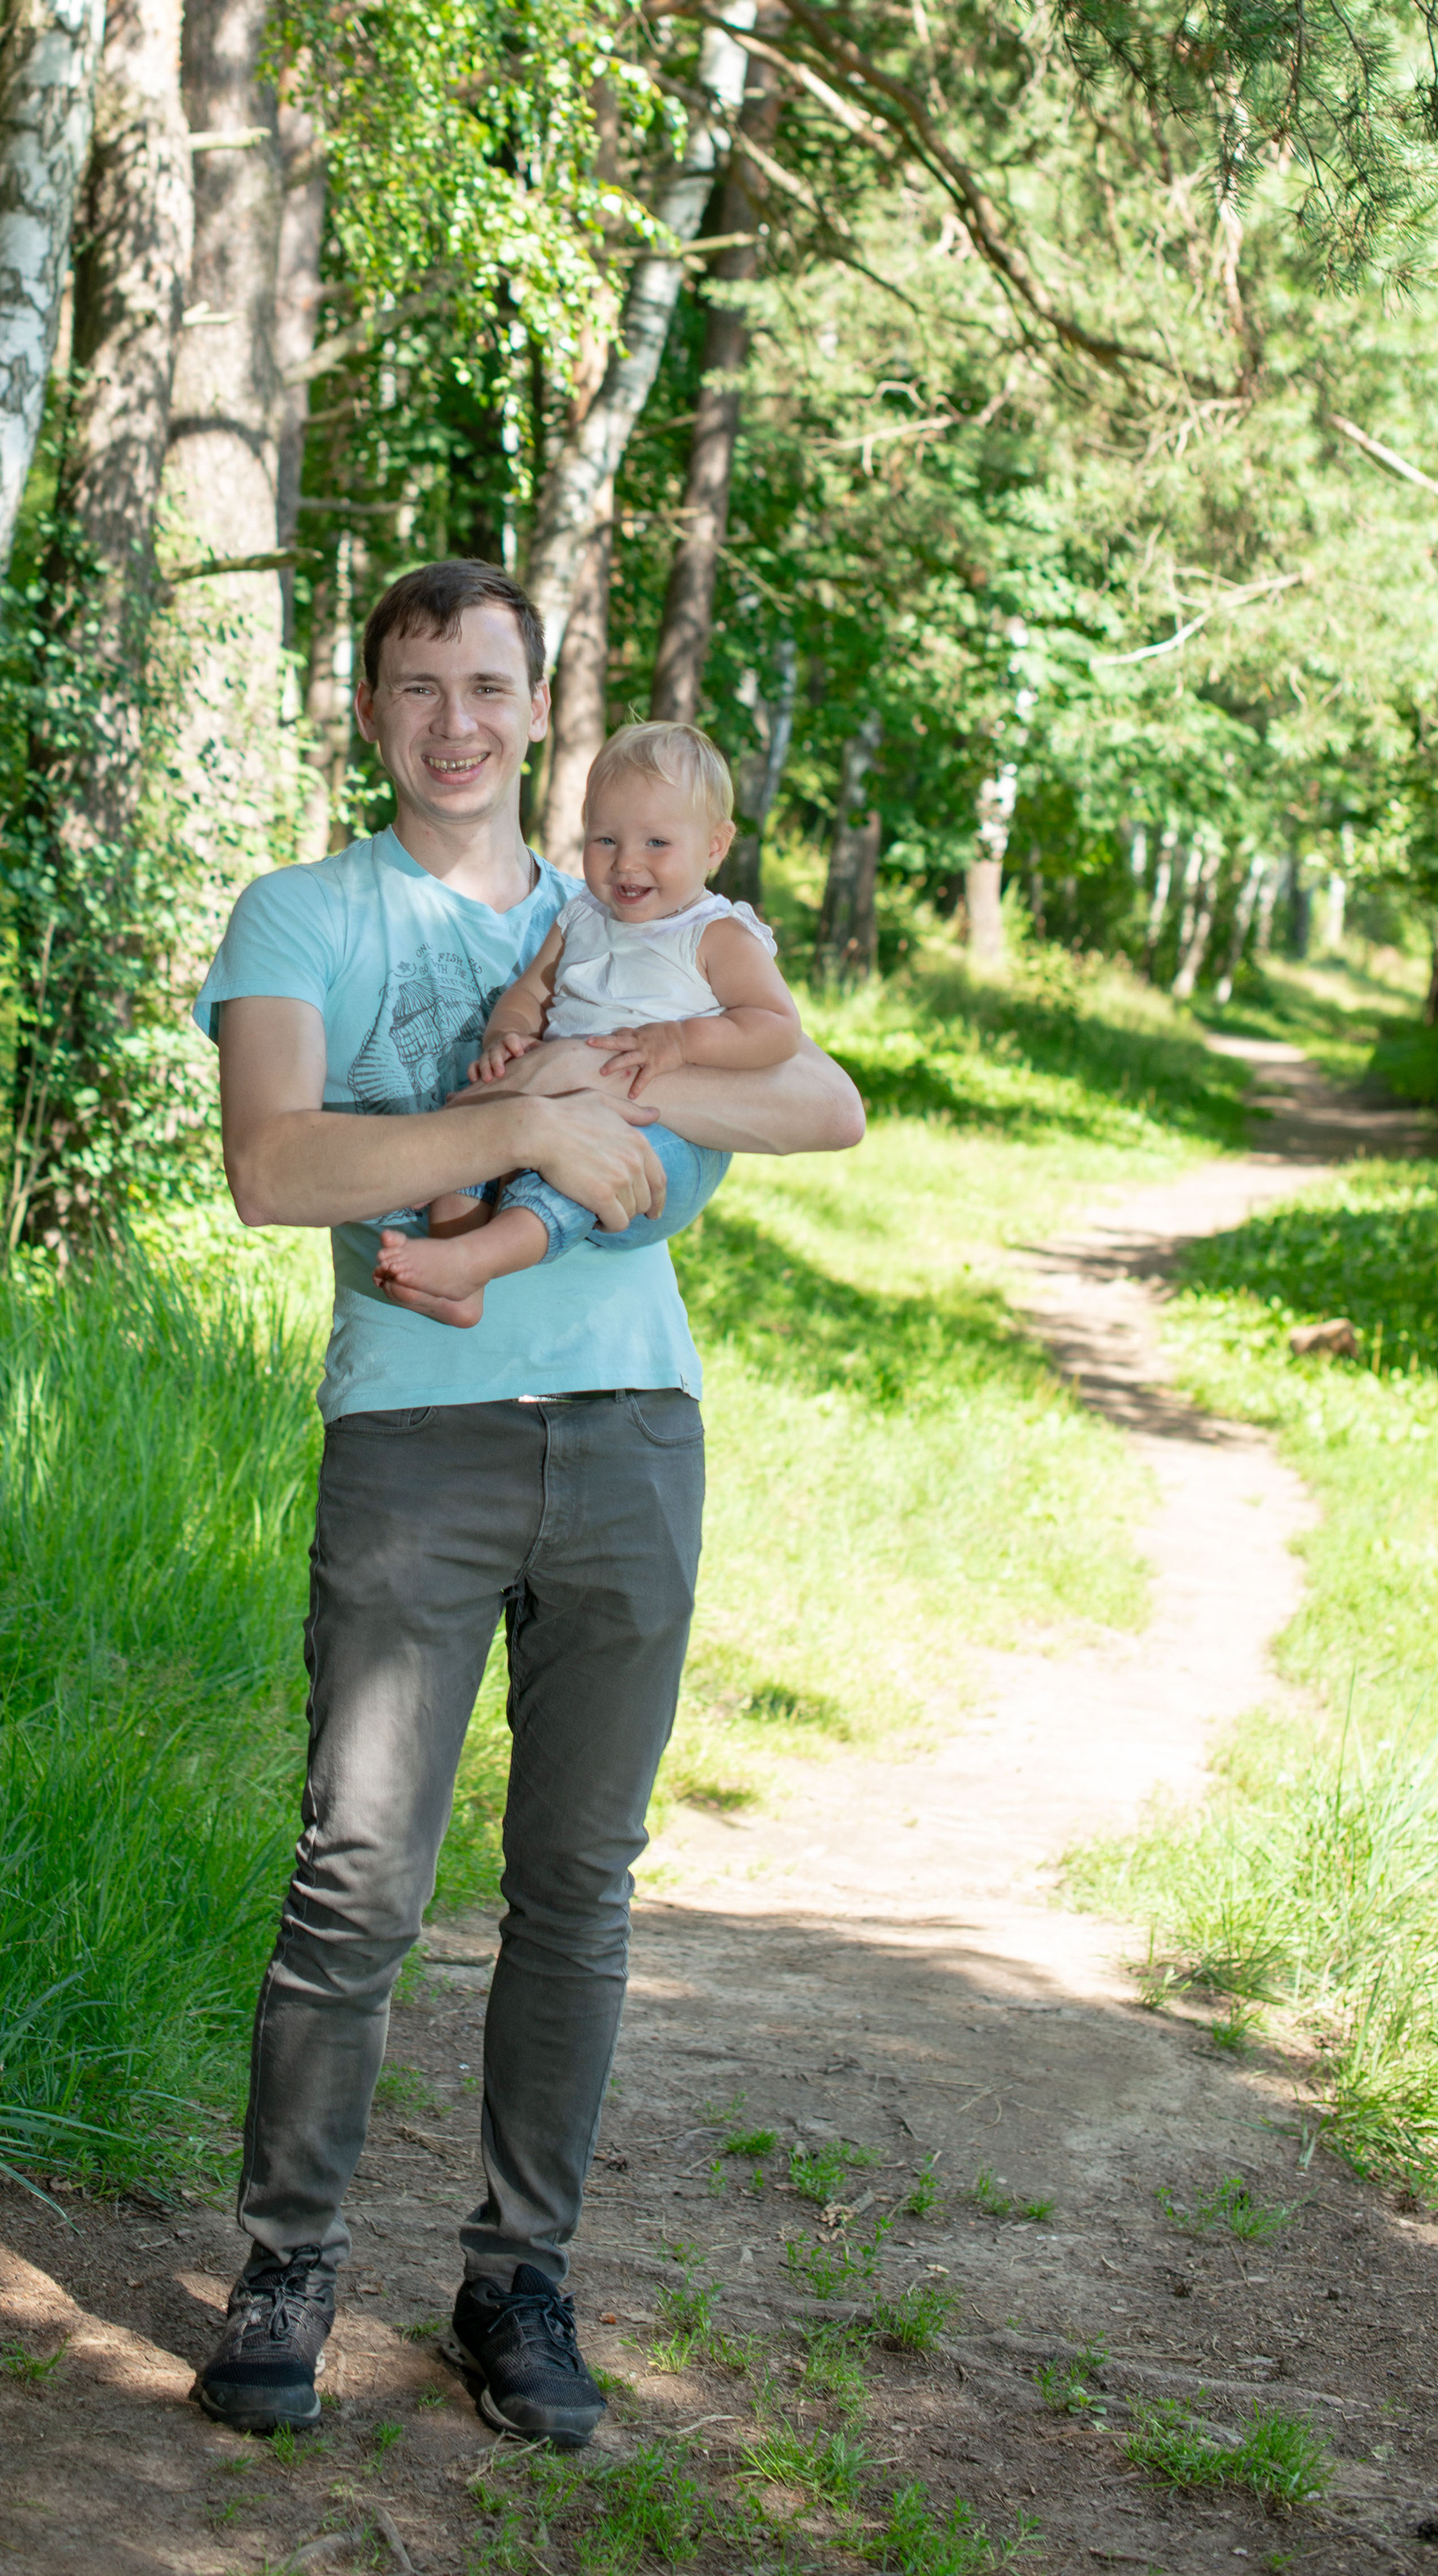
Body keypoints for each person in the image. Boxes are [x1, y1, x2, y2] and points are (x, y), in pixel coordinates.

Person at [187, 557, 866, 2450]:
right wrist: (521, 1122)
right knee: (356, 1878)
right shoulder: (300, 913)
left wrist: (612, 1079)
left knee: (577, 1887)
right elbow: (273, 1161)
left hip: (633, 1427)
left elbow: (820, 1106)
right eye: (418, 685)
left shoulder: (633, 899)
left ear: (535, 708)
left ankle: (516, 2281)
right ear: (372, 708)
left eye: (487, 684)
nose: (454, 720)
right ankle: (288, 2263)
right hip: (419, 1439)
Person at [371, 718, 804, 1327]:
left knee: (567, 1174)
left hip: (667, 1135)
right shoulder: (581, 916)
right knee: (473, 1123)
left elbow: (776, 1025)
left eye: (656, 843)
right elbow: (532, 990)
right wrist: (507, 1035)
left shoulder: (717, 933)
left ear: (714, 844)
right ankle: (452, 1264)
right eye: (605, 840)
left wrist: (680, 1040)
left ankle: (477, 1259)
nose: (627, 862)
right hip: (562, 1108)